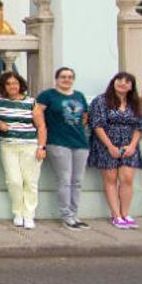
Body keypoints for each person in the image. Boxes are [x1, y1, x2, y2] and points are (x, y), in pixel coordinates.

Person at [88, 72, 142, 230]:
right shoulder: (101, 100)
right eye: (119, 80)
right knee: (111, 179)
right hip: (106, 143)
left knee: (127, 179)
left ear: (131, 86)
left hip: (129, 144)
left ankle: (125, 213)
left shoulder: (135, 103)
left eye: (127, 82)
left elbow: (140, 125)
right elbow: (97, 124)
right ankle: (116, 214)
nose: (123, 84)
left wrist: (133, 145)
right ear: (113, 82)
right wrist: (110, 146)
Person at [37, 67, 91, 230]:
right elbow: (38, 116)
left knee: (78, 181)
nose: (66, 80)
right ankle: (66, 215)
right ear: (56, 79)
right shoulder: (48, 95)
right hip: (58, 142)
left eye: (69, 77)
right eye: (63, 77)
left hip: (80, 143)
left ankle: (75, 214)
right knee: (64, 179)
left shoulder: (79, 96)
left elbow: (84, 117)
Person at [0, 72, 47, 230]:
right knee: (14, 181)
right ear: (4, 86)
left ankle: (29, 214)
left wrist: (41, 147)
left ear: (20, 85)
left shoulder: (31, 102)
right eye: (9, 83)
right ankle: (18, 212)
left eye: (15, 83)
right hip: (8, 145)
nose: (12, 86)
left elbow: (41, 126)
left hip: (30, 145)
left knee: (30, 181)